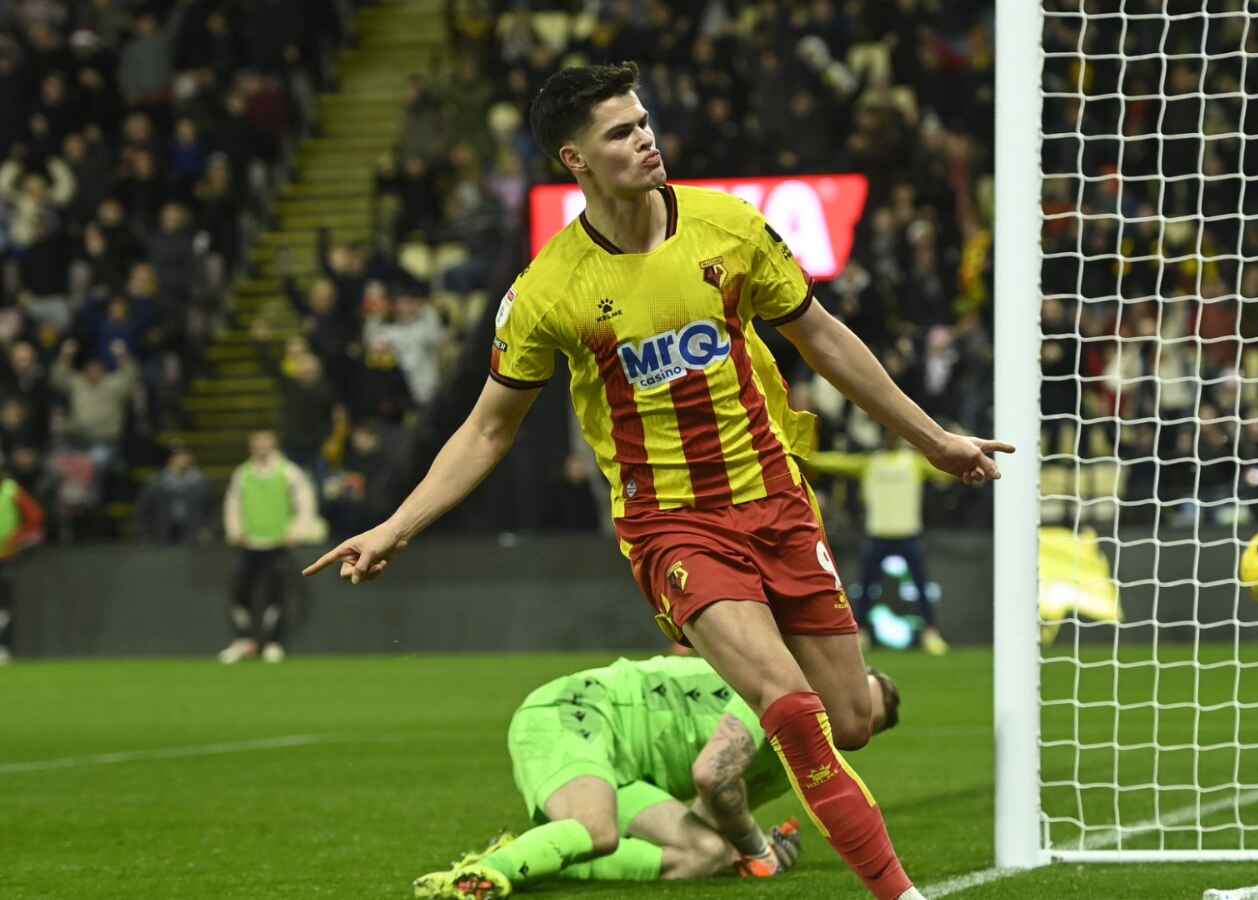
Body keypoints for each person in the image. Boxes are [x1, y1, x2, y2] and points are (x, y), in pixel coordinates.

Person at [305, 62, 1011, 900]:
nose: (644, 139)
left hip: (777, 498)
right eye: (620, 132)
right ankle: (901, 894)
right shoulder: (548, 291)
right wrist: (396, 525)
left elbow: (821, 337)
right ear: (576, 159)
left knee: (850, 719)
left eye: (643, 123)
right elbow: (490, 426)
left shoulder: (728, 228)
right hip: (673, 523)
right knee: (786, 706)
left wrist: (931, 439)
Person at [413, 656, 901, 897]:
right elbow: (712, 775)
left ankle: (525, 855)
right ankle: (470, 879)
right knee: (598, 829)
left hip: (628, 772)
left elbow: (707, 812)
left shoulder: (795, 759)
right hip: (579, 713)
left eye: (862, 722)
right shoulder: (783, 692)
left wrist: (748, 848)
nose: (847, 719)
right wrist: (757, 849)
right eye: (852, 699)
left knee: (705, 853)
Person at [807, 431, 956, 655]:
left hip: (908, 535)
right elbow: (837, 462)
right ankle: (862, 633)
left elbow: (946, 472)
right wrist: (807, 456)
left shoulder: (914, 463)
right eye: (888, 435)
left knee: (921, 588)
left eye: (894, 435)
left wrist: (958, 456)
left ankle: (930, 633)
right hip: (877, 535)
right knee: (866, 589)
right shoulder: (870, 463)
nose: (891, 439)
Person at [221, 431, 320, 664]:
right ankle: (245, 641)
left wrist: (297, 531)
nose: (262, 449)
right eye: (257, 445)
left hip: (277, 544)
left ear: (274, 446)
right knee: (239, 595)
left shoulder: (288, 471)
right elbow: (232, 503)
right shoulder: (243, 473)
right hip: (250, 543)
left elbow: (306, 501)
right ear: (251, 447)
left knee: (277, 596)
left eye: (266, 444)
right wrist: (235, 531)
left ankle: (272, 643)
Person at [0, 469, 46, 664]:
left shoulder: (11, 491)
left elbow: (35, 517)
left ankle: (3, 648)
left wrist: (17, 539)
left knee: (3, 607)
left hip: (5, 556)